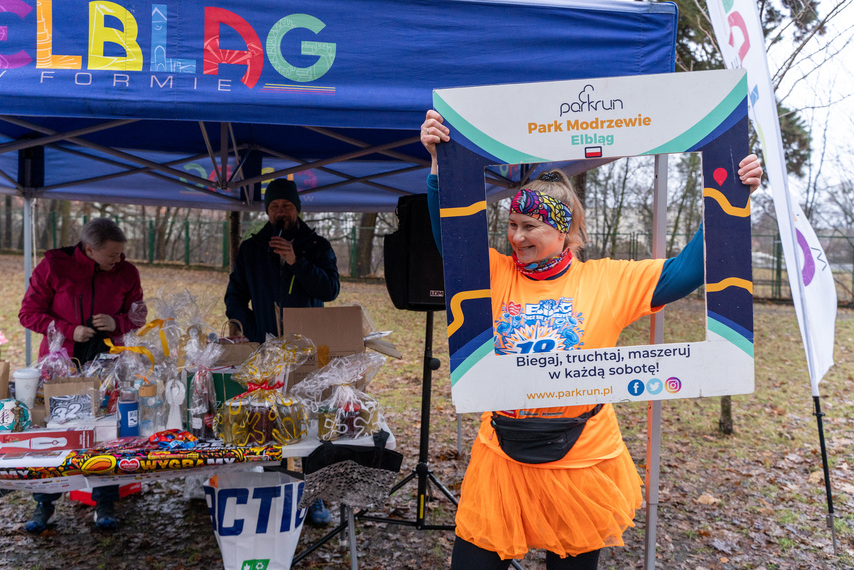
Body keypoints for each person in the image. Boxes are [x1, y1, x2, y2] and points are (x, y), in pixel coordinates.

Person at [421, 110, 762, 569]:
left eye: (530, 227)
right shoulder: (496, 273)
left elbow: (685, 273)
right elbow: (451, 236)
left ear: (563, 232)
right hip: (503, 458)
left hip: (581, 459)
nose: (516, 237)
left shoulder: (607, 280)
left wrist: (730, 198)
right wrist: (439, 166)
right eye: (512, 224)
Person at [18, 217, 147, 533]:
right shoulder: (53, 267)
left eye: (120, 254)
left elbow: (139, 314)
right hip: (60, 363)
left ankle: (104, 501)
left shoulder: (127, 273)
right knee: (54, 435)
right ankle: (44, 504)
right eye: (111, 255)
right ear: (89, 249)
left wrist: (118, 323)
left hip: (107, 363)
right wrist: (68, 329)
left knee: (107, 432)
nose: (118, 260)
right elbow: (28, 313)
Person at [224, 178, 340, 525]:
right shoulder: (252, 248)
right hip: (264, 350)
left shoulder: (316, 245)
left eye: (286, 206)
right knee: (269, 420)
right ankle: (277, 486)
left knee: (311, 422)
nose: (280, 212)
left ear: (297, 209)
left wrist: (295, 261)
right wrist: (249, 330)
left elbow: (330, 289)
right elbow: (234, 295)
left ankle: (316, 495)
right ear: (267, 210)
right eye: (274, 206)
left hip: (307, 350)